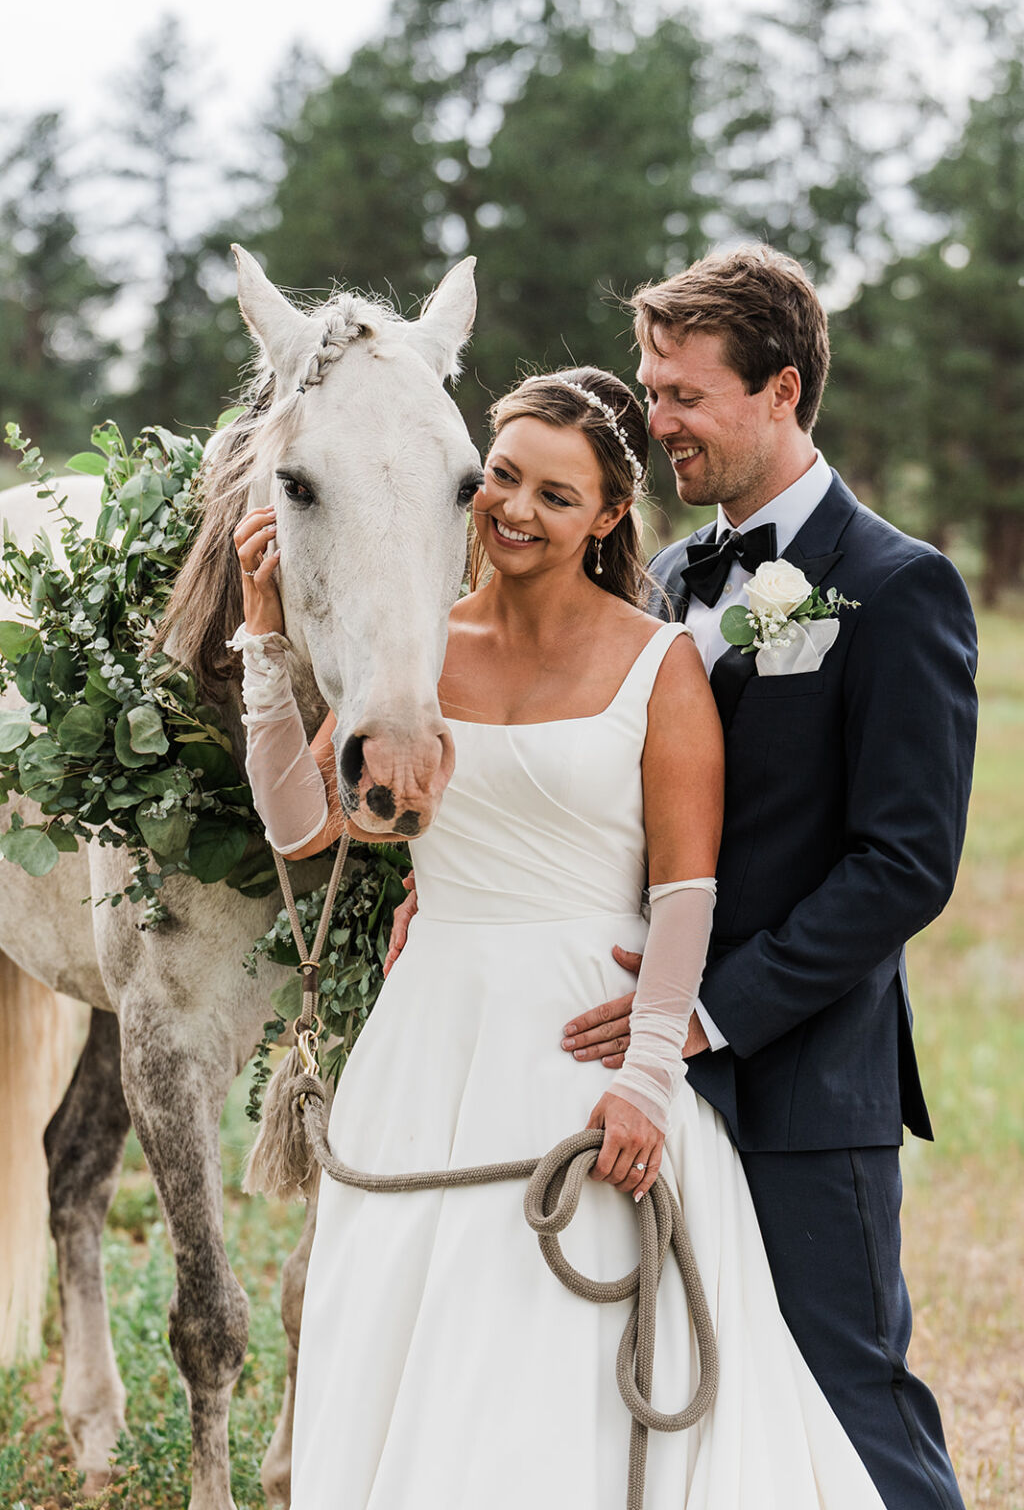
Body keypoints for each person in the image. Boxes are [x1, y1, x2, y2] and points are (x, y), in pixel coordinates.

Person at [234, 365, 889, 1509]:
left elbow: (686, 893)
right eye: (500, 478)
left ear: (606, 516)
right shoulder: (418, 651)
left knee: (550, 1351)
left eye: (554, 491)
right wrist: (263, 645)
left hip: (585, 1050)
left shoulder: (658, 660)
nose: (516, 510)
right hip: (430, 1036)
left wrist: (646, 1073)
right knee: (405, 1328)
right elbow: (301, 825)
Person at [556, 247, 977, 1510]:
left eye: (684, 394)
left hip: (804, 1078)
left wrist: (710, 1009)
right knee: (688, 1384)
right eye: (650, 388)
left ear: (780, 388)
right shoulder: (669, 580)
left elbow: (904, 864)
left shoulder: (900, 587)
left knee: (848, 1396)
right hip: (637, 1075)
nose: (657, 421)